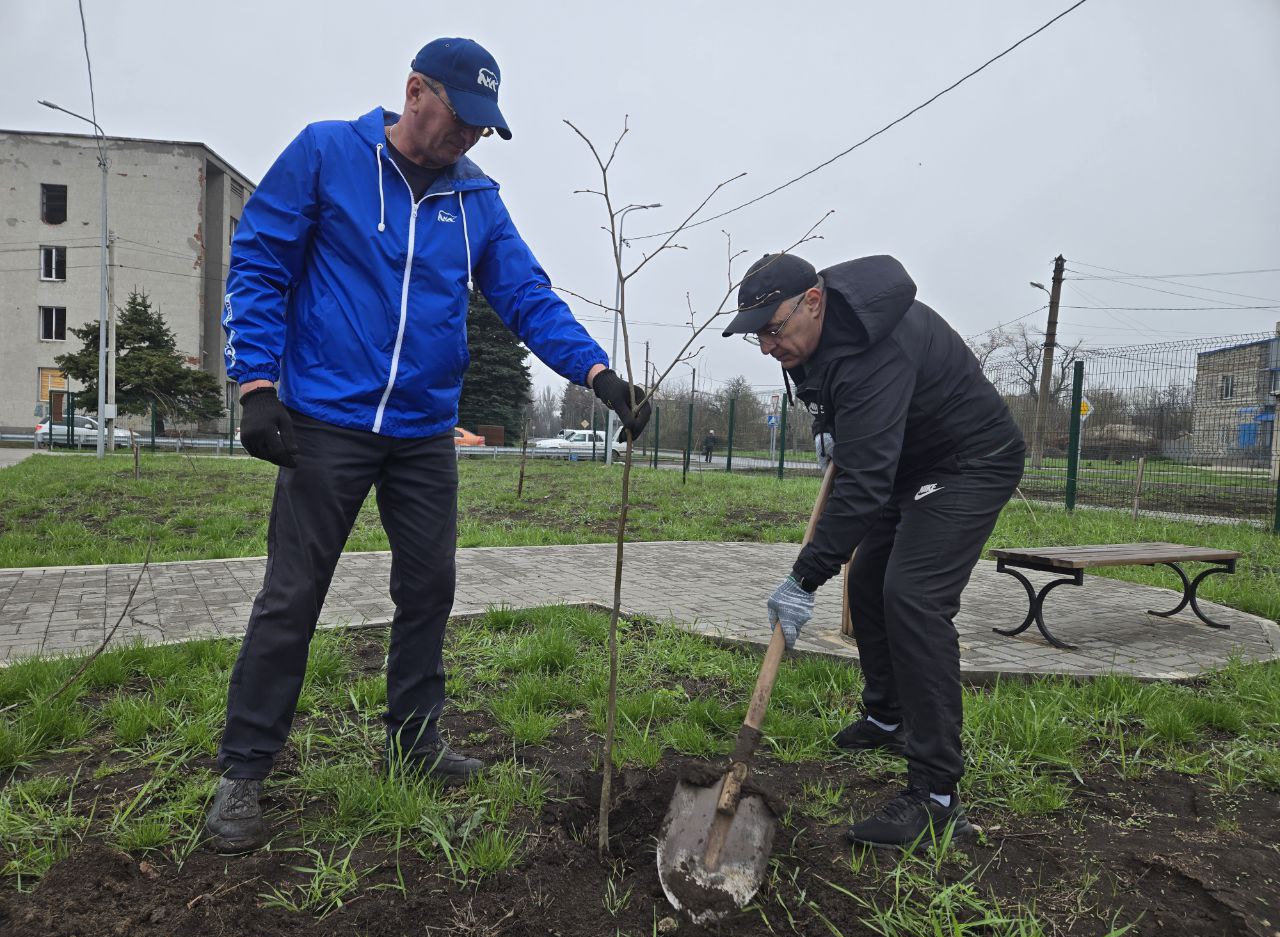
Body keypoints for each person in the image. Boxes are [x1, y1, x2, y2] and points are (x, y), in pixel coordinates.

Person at [206, 38, 649, 853]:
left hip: (420, 433)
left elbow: (525, 292)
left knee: (429, 588)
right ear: (416, 91)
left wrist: (596, 372)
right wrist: (257, 386)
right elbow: (259, 264)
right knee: (291, 596)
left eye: (485, 127)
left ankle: (413, 740)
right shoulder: (326, 154)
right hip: (326, 423)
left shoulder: (475, 196)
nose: (470, 138)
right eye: (462, 118)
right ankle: (244, 770)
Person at [722, 252, 1023, 849]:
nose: (765, 346)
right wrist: (825, 428)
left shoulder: (873, 347)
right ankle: (887, 717)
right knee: (867, 584)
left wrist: (804, 578)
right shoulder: (811, 338)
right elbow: (833, 409)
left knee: (912, 597)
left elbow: (864, 485)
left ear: (813, 301)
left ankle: (937, 796)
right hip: (907, 461)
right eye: (756, 335)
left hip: (968, 461)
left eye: (772, 329)